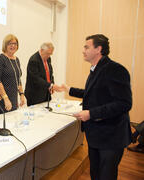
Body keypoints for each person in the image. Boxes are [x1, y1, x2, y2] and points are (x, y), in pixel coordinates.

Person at [56, 34, 132, 180]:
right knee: (95, 174)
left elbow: (124, 103)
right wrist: (68, 89)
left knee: (106, 175)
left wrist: (91, 113)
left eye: (86, 47)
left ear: (98, 49)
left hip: (111, 136)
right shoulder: (96, 69)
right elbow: (93, 93)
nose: (83, 50)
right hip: (97, 135)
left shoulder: (115, 70)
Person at [0, 34, 25, 116]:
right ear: (5, 45)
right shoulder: (0, 59)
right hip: (1, 98)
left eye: (15, 43)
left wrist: (21, 94)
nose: (13, 46)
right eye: (10, 43)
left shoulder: (17, 60)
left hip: (13, 97)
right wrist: (5, 98)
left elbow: (18, 79)